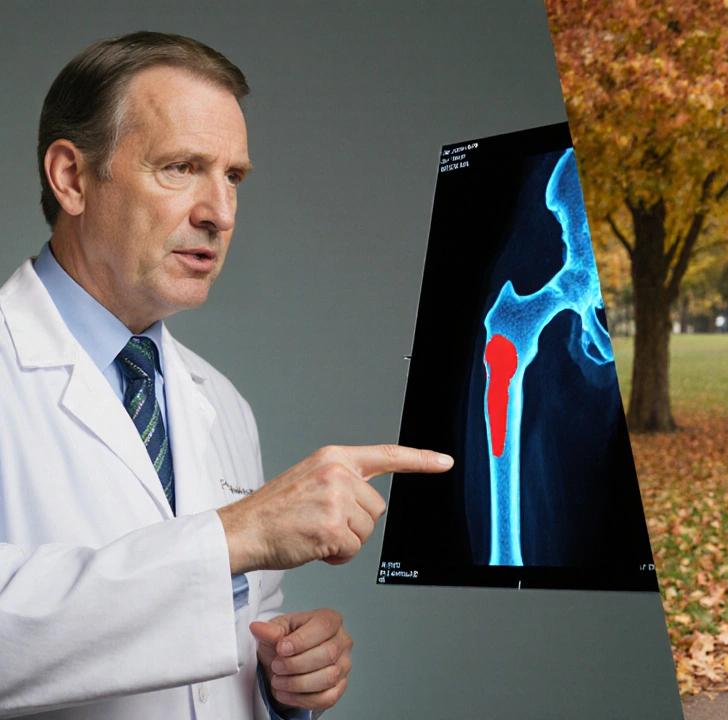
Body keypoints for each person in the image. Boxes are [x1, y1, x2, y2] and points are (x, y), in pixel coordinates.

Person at [0, 32, 451, 719]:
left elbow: (214, 649)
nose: (220, 212)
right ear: (71, 178)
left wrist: (279, 681)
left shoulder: (222, 404)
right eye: (181, 167)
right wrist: (237, 534)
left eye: (233, 176)